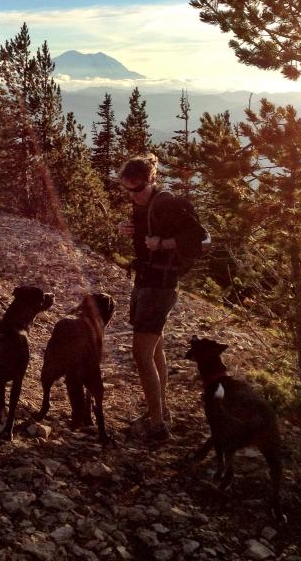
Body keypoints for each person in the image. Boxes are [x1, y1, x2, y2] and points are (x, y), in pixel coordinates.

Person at [117, 154, 191, 442]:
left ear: (152, 180)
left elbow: (201, 238)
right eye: (128, 190)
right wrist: (127, 229)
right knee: (155, 348)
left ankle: (158, 426)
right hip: (146, 283)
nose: (133, 196)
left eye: (138, 189)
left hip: (160, 286)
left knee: (141, 353)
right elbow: (145, 239)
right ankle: (160, 412)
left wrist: (162, 243)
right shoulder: (144, 206)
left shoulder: (166, 203)